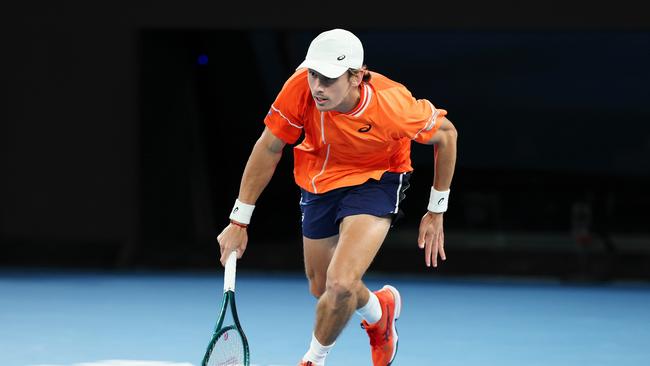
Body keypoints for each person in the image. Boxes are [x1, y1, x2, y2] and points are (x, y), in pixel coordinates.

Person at [217, 28, 458, 366]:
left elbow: (446, 136)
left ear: (357, 77)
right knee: (322, 288)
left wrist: (436, 210)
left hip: (376, 179)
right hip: (318, 180)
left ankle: (313, 359)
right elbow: (269, 147)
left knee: (341, 283)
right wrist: (238, 220)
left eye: (328, 79)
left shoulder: (392, 105)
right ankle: (380, 311)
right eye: (314, 74)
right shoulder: (300, 87)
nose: (317, 86)